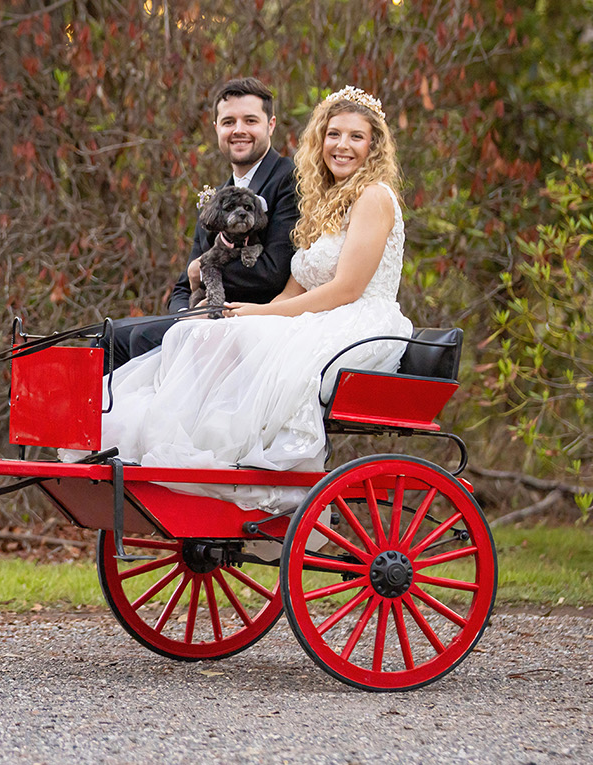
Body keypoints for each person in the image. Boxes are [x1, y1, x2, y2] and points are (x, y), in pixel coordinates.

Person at [66, 86, 413, 513]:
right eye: (334, 134)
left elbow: (347, 288)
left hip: (355, 321)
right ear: (320, 140)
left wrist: (264, 313)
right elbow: (296, 283)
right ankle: (180, 463)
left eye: (356, 137)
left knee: (240, 346)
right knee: (219, 334)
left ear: (374, 145)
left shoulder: (374, 197)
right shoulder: (326, 203)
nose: (342, 146)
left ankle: (220, 466)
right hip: (314, 313)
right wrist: (254, 315)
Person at [99, 77, 300, 371]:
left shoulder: (287, 179)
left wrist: (205, 272)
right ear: (216, 127)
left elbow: (272, 272)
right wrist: (183, 314)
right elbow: (184, 284)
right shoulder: (219, 195)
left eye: (250, 120)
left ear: (270, 125)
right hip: (204, 313)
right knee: (107, 336)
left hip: (251, 320)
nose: (239, 130)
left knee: (142, 338)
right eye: (229, 121)